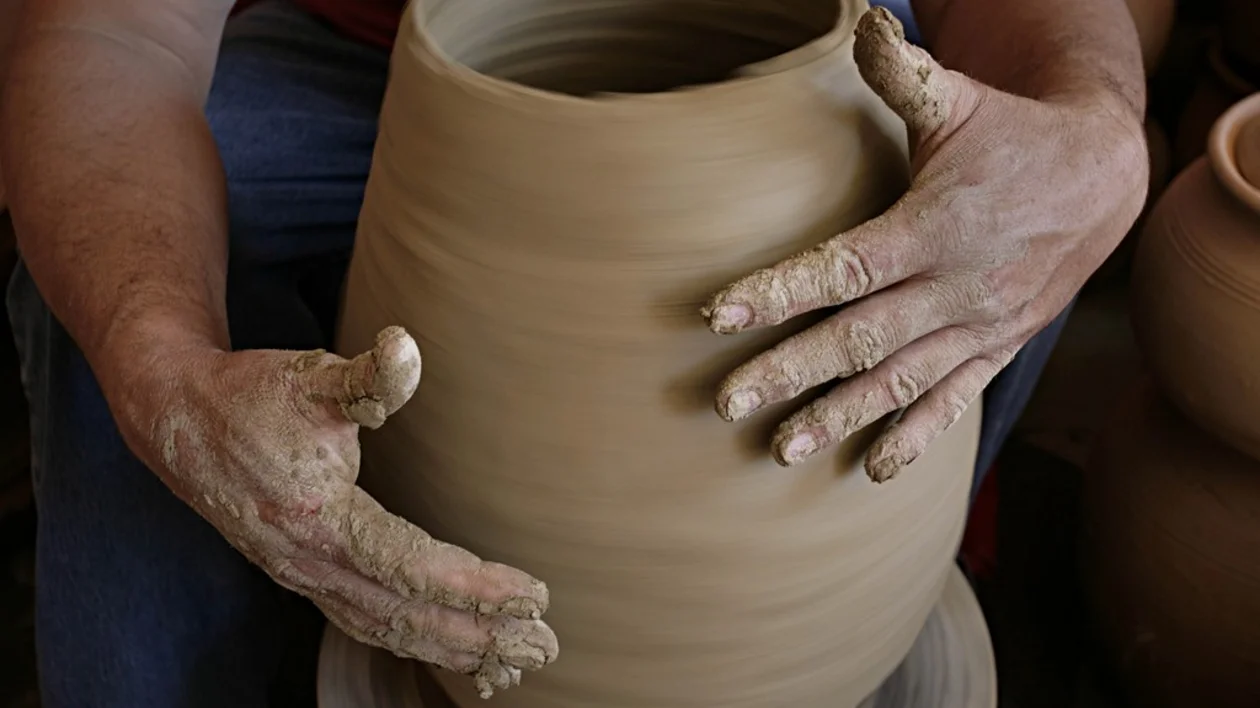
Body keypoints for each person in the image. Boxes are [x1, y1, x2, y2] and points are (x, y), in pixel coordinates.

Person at [0, 0, 1147, 705]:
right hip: (388, 70)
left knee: (1005, 216)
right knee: (109, 301)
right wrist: (162, 368)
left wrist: (1093, 129)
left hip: (812, 61)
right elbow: (113, 28)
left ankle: (849, 617)